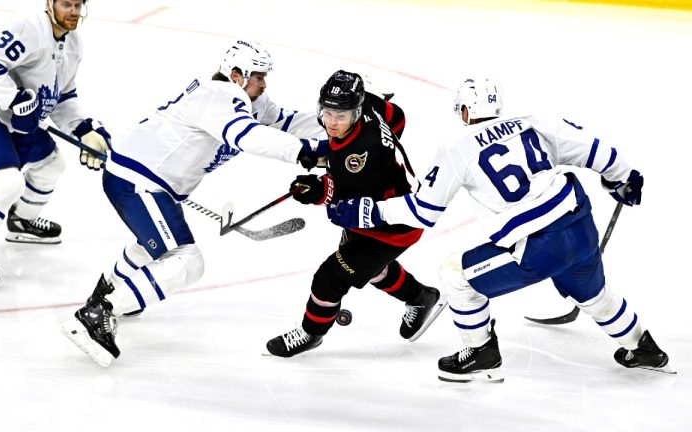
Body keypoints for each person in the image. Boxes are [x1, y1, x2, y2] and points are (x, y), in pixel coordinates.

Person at [327, 77, 674, 381]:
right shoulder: (535, 120)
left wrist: (366, 210)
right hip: (579, 224)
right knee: (594, 293)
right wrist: (624, 179)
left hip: (539, 244)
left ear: (464, 111)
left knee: (455, 275)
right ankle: (642, 348)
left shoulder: (457, 148)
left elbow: (422, 212)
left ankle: (481, 354)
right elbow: (597, 151)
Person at [60, 39, 324, 367]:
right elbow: (249, 136)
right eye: (258, 76)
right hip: (140, 181)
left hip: (143, 179)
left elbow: (287, 121)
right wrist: (308, 152)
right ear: (237, 75)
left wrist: (341, 124)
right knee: (187, 261)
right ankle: (96, 314)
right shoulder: (220, 95)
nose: (263, 83)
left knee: (150, 247)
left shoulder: (245, 96)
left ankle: (107, 293)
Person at [264, 70, 446, 358]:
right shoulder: (370, 104)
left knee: (331, 277)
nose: (332, 123)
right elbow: (397, 117)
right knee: (368, 267)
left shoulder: (360, 158)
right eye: (328, 113)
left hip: (391, 225)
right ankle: (421, 297)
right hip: (395, 204)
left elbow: (346, 210)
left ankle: (311, 333)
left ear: (356, 111)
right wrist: (325, 151)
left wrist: (314, 190)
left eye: (341, 117)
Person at [0, 0, 110, 293]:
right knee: (7, 181)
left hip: (14, 119)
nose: (73, 11)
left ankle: (22, 222)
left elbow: (63, 97)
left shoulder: (73, 44)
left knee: (51, 164)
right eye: (65, 4)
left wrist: (85, 129)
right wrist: (15, 99)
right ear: (50, 4)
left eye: (78, 4)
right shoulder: (28, 28)